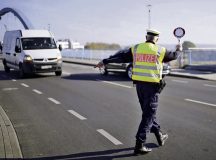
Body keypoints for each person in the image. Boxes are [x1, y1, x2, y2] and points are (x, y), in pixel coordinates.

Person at [95, 29, 182, 155]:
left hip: (139, 87)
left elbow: (121, 57)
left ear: (146, 37)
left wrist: (105, 61)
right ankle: (139, 144)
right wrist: (179, 49)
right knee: (149, 115)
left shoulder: (136, 48)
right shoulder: (160, 50)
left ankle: (159, 134)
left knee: (148, 113)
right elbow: (174, 56)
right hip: (152, 88)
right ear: (157, 39)